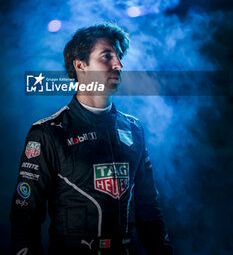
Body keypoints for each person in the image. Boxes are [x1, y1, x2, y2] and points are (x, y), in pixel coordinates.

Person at [10, 23, 173, 255]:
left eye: (119, 55)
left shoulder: (134, 129)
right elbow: (25, 218)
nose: (118, 64)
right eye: (107, 56)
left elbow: (150, 209)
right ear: (80, 65)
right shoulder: (47, 133)